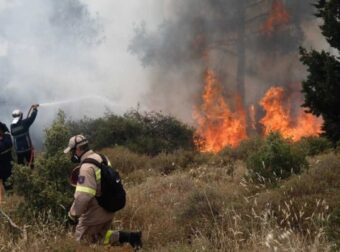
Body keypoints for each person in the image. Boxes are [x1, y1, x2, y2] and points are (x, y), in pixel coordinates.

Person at [64, 135, 142, 249]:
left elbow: (83, 196)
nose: (72, 155)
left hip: (96, 210)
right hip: (108, 206)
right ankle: (131, 237)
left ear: (78, 149)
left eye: (72, 151)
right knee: (100, 237)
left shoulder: (86, 167)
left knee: (81, 242)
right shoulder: (102, 158)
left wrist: (72, 215)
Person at [10, 104, 39, 168]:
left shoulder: (12, 126)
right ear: (20, 116)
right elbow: (32, 117)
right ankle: (32, 175)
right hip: (27, 149)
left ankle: (22, 177)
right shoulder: (25, 123)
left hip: (18, 151)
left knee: (21, 167)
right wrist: (35, 109)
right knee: (31, 165)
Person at [0, 122, 13, 205]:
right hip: (2, 165)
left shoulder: (6, 136)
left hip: (6, 164)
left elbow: (8, 144)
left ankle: (10, 197)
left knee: (8, 181)